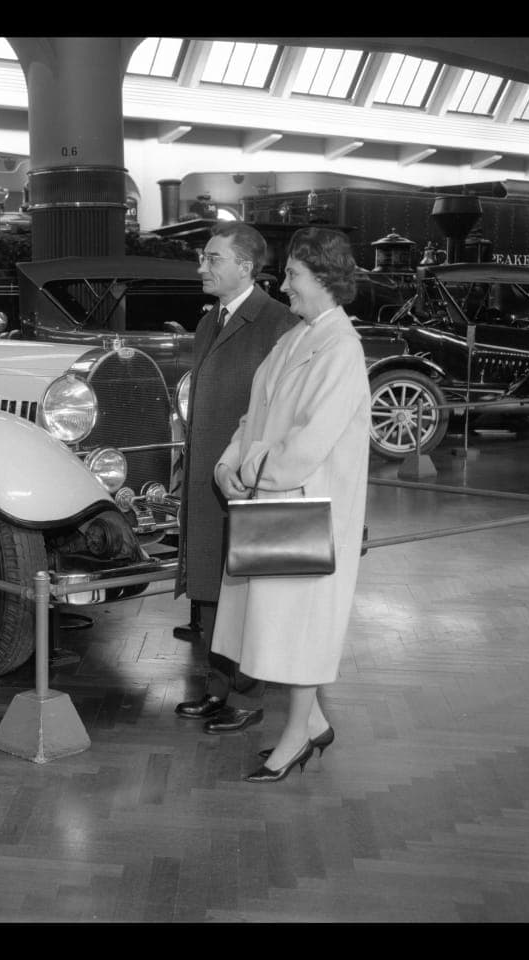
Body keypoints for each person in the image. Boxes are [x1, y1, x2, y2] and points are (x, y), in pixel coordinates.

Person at [212, 227, 371, 783]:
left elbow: (307, 445)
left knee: (299, 627)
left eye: (294, 276)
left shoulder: (341, 349)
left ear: (325, 280)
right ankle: (315, 723)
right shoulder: (295, 337)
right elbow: (253, 416)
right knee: (279, 624)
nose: (284, 286)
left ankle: (295, 737)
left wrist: (250, 468)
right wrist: (227, 464)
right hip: (276, 504)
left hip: (306, 511)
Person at [174, 222, 294, 734]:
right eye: (204, 258)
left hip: (245, 483)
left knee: (248, 591)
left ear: (245, 266)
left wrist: (248, 470)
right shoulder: (208, 323)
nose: (203, 267)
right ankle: (217, 690)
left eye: (213, 258)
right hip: (208, 482)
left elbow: (282, 414)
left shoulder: (278, 324)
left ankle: (245, 698)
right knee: (211, 591)